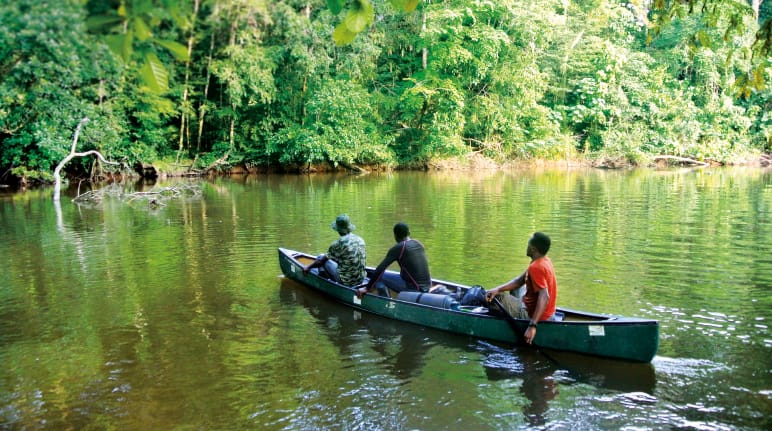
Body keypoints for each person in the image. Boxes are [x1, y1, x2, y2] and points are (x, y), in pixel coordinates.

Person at [485, 232, 558, 345]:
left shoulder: (536, 267)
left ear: (533, 249)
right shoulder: (544, 260)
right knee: (510, 290)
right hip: (548, 312)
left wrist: (532, 326)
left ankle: (502, 325)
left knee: (496, 299)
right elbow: (519, 281)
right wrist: (498, 289)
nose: (527, 246)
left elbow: (544, 296)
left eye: (528, 244)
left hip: (535, 316)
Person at [356, 222, 431, 298]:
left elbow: (380, 269)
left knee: (380, 276)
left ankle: (385, 302)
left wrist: (367, 288)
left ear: (395, 235)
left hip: (414, 288)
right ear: (409, 233)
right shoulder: (418, 243)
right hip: (427, 286)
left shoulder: (399, 247)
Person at [303, 214, 366, 287]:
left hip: (347, 282)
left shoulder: (338, 243)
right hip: (361, 279)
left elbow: (321, 261)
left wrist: (308, 267)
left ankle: (323, 283)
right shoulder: (360, 239)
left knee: (320, 257)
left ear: (338, 229)